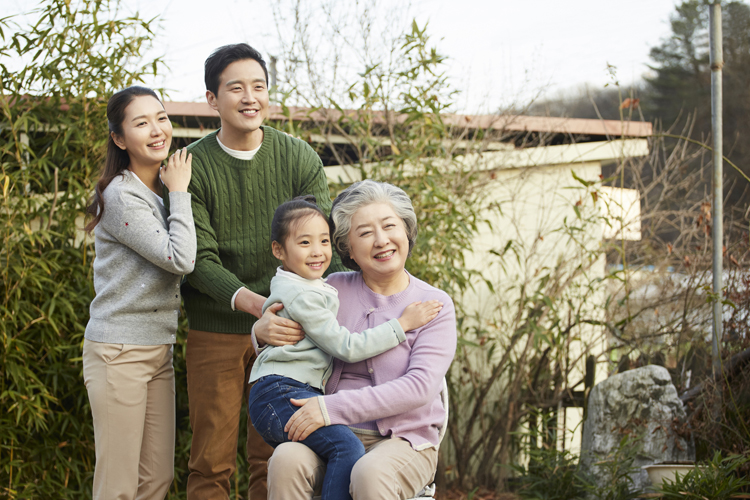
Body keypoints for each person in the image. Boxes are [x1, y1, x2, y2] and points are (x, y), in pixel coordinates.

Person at [174, 43, 344, 500]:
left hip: (295, 330)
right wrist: (261, 310)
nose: (250, 97)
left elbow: (325, 248)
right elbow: (196, 259)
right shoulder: (192, 166)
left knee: (275, 456)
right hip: (219, 327)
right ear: (212, 99)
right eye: (236, 88)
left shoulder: (299, 158)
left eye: (259, 86)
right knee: (210, 462)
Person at [255, 180, 457, 500]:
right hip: (332, 434)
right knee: (287, 459)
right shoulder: (330, 288)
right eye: (364, 233)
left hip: (403, 440)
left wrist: (329, 408)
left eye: (390, 226)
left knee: (369, 472)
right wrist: (261, 333)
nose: (381, 240)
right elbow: (288, 323)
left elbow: (420, 387)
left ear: (406, 231)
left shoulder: (433, 304)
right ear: (347, 248)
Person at [82, 86, 196, 500]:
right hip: (119, 352)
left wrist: (175, 192)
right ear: (119, 138)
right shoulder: (121, 195)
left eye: (161, 117)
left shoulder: (162, 192)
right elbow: (179, 258)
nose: (156, 129)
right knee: (118, 487)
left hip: (157, 350)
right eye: (141, 122)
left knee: (155, 481)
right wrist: (181, 191)